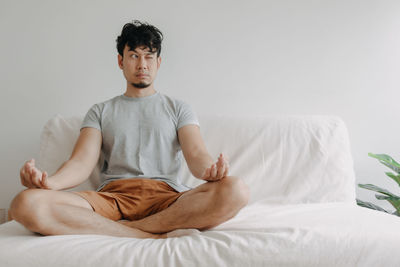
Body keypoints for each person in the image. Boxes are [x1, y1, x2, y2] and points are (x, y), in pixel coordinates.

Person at [8, 20, 250, 239]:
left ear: (158, 62)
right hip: (112, 198)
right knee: (25, 203)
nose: (142, 64)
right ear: (120, 61)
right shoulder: (100, 111)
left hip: (167, 198)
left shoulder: (178, 108)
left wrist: (210, 171)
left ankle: (131, 231)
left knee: (235, 190)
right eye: (134, 55)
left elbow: (196, 154)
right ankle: (149, 233)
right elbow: (81, 162)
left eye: (149, 56)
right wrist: (49, 183)